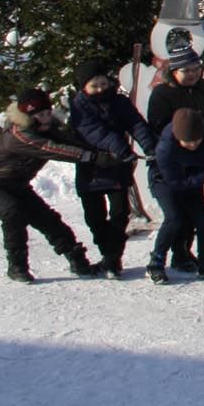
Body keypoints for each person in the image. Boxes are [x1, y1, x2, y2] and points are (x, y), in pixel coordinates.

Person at [0, 87, 106, 283]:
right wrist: (91, 157)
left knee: (49, 220)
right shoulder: (17, 136)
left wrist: (99, 153)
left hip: (17, 186)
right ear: (28, 116)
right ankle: (17, 267)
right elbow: (52, 149)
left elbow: (68, 142)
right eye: (41, 114)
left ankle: (78, 262)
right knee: (13, 212)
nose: (47, 118)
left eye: (48, 113)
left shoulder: (46, 129)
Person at [67, 60, 156, 279]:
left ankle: (112, 260)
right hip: (92, 167)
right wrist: (121, 148)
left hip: (118, 166)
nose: (100, 89)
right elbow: (93, 131)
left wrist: (151, 147)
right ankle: (109, 255)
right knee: (95, 218)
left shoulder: (119, 101)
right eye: (94, 86)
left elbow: (136, 124)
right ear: (83, 87)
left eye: (102, 84)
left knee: (120, 213)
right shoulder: (79, 106)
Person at [143, 38, 204, 272]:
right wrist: (185, 138)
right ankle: (169, 255)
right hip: (174, 158)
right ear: (174, 72)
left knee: (195, 215)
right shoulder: (162, 93)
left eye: (196, 69)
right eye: (185, 71)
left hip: (198, 155)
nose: (192, 74)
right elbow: (157, 126)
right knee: (176, 215)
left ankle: (183, 255)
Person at [146, 108, 204, 285]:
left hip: (193, 178)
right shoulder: (166, 148)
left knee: (203, 220)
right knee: (175, 219)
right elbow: (176, 182)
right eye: (187, 142)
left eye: (197, 141)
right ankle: (156, 262)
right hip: (165, 181)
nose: (193, 145)